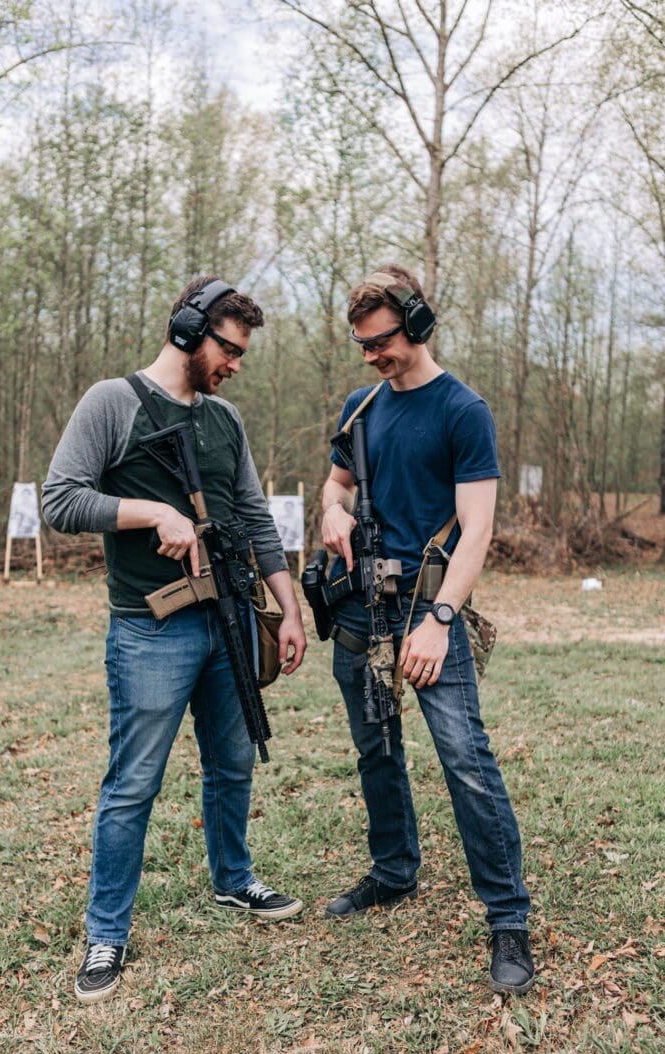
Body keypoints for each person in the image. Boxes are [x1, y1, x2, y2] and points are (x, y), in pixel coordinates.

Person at [42, 276, 307, 1004]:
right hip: (149, 630)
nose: (236, 363)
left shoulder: (225, 420)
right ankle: (106, 931)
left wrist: (288, 608)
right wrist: (151, 512)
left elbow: (254, 517)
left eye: (242, 352)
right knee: (133, 784)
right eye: (229, 347)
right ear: (189, 331)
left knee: (232, 761)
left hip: (228, 622)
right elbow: (60, 498)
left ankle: (233, 880)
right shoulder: (112, 402)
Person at [319, 264, 534, 995]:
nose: (371, 354)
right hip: (361, 607)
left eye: (380, 341)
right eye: (362, 344)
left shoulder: (462, 411)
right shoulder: (361, 406)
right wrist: (329, 510)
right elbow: (337, 481)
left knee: (465, 761)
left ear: (417, 324)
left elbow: (478, 530)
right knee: (375, 750)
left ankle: (508, 919)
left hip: (428, 609)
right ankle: (393, 871)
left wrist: (441, 621)